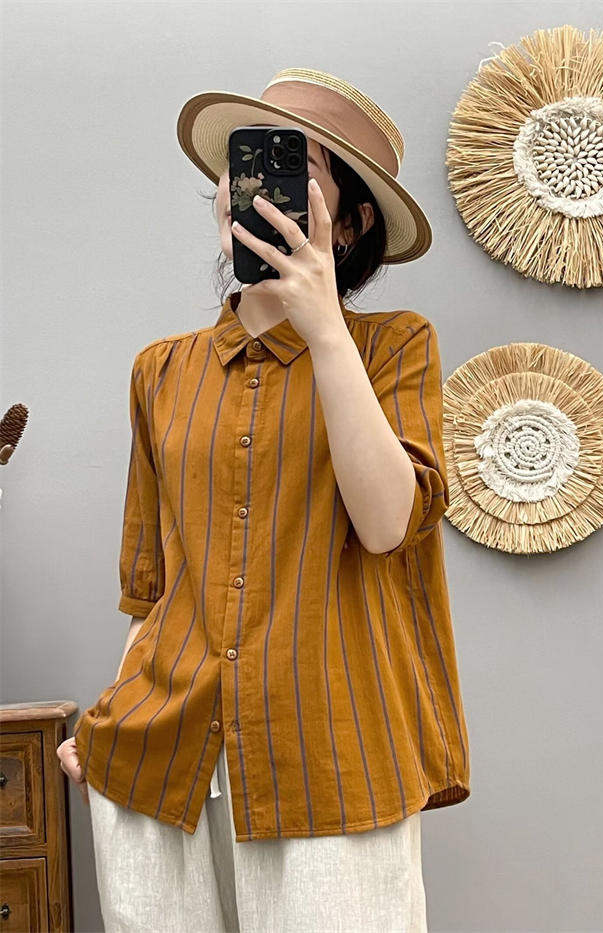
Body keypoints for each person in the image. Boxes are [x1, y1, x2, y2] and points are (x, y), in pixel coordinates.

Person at [57, 68, 470, 932]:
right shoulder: (161, 371)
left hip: (332, 754)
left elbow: (387, 523)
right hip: (158, 761)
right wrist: (109, 722)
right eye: (244, 164)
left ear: (351, 223)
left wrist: (322, 327)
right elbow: (153, 587)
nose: (254, 187)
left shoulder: (394, 348)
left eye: (297, 168)